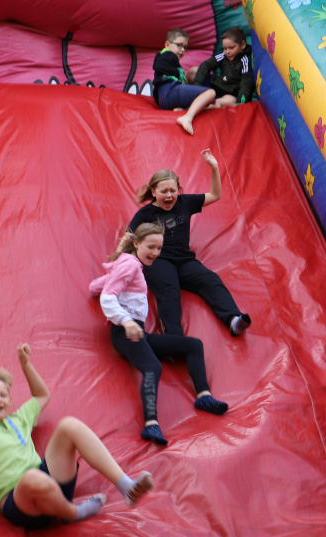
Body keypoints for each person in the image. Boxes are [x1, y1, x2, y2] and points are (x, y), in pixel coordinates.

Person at [0, 344, 153, 536]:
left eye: (3, 395)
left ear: (10, 400)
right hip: (21, 503)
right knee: (31, 478)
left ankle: (125, 485)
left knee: (69, 425)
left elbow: (42, 396)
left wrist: (25, 364)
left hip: (52, 486)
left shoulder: (20, 418)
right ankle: (73, 513)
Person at [90, 222, 229, 446]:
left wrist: (102, 283)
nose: (156, 252)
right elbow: (108, 297)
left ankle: (204, 396)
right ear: (137, 244)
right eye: (151, 247)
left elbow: (98, 288)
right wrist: (126, 320)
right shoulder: (130, 264)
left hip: (138, 332)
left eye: (159, 248)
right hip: (125, 331)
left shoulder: (129, 265)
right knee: (153, 367)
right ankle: (150, 423)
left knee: (193, 345)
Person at [128, 148, 251, 338]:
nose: (169, 195)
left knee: (211, 280)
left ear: (178, 189)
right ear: (153, 191)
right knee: (169, 292)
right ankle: (175, 338)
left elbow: (215, 195)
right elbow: (128, 237)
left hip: (185, 260)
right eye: (163, 191)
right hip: (159, 260)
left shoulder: (185, 202)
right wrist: (121, 263)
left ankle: (233, 319)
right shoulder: (146, 214)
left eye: (173, 190)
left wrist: (214, 167)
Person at [152, 28, 216, 135]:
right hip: (170, 90)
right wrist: (177, 74)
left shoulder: (170, 60)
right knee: (210, 93)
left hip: (165, 98)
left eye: (185, 47)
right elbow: (158, 65)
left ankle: (183, 109)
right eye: (179, 45)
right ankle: (188, 117)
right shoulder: (168, 54)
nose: (182, 50)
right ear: (167, 44)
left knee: (206, 103)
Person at [193, 27, 253, 108]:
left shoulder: (245, 61)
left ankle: (204, 106)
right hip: (216, 88)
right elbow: (206, 65)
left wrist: (240, 103)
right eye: (225, 48)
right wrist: (197, 87)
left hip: (231, 95)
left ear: (242, 45)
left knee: (228, 100)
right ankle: (194, 95)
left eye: (231, 48)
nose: (227, 52)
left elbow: (246, 84)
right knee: (193, 71)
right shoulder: (224, 56)